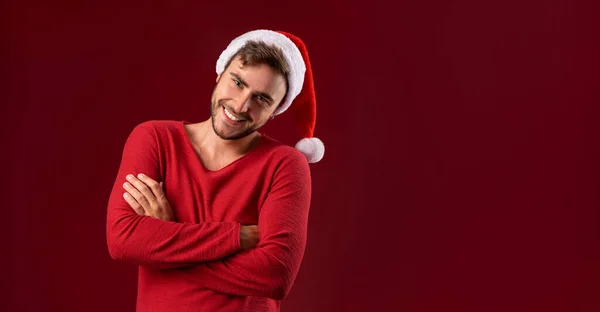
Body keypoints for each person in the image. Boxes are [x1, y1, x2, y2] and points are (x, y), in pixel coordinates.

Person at [105, 29, 324, 312]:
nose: (240, 105)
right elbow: (122, 240)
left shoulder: (285, 164)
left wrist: (166, 241)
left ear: (276, 110)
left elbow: (275, 275)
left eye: (262, 99)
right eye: (237, 82)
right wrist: (237, 237)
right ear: (220, 73)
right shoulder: (154, 139)